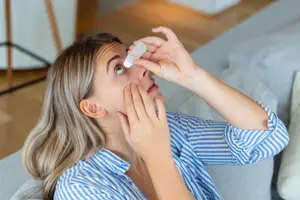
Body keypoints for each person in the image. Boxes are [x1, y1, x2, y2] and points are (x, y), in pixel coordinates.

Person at [22, 26, 289, 200]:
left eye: (132, 58)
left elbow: (267, 139)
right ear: (92, 107)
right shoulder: (83, 188)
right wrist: (157, 156)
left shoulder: (172, 130)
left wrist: (193, 77)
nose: (142, 69)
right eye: (119, 69)